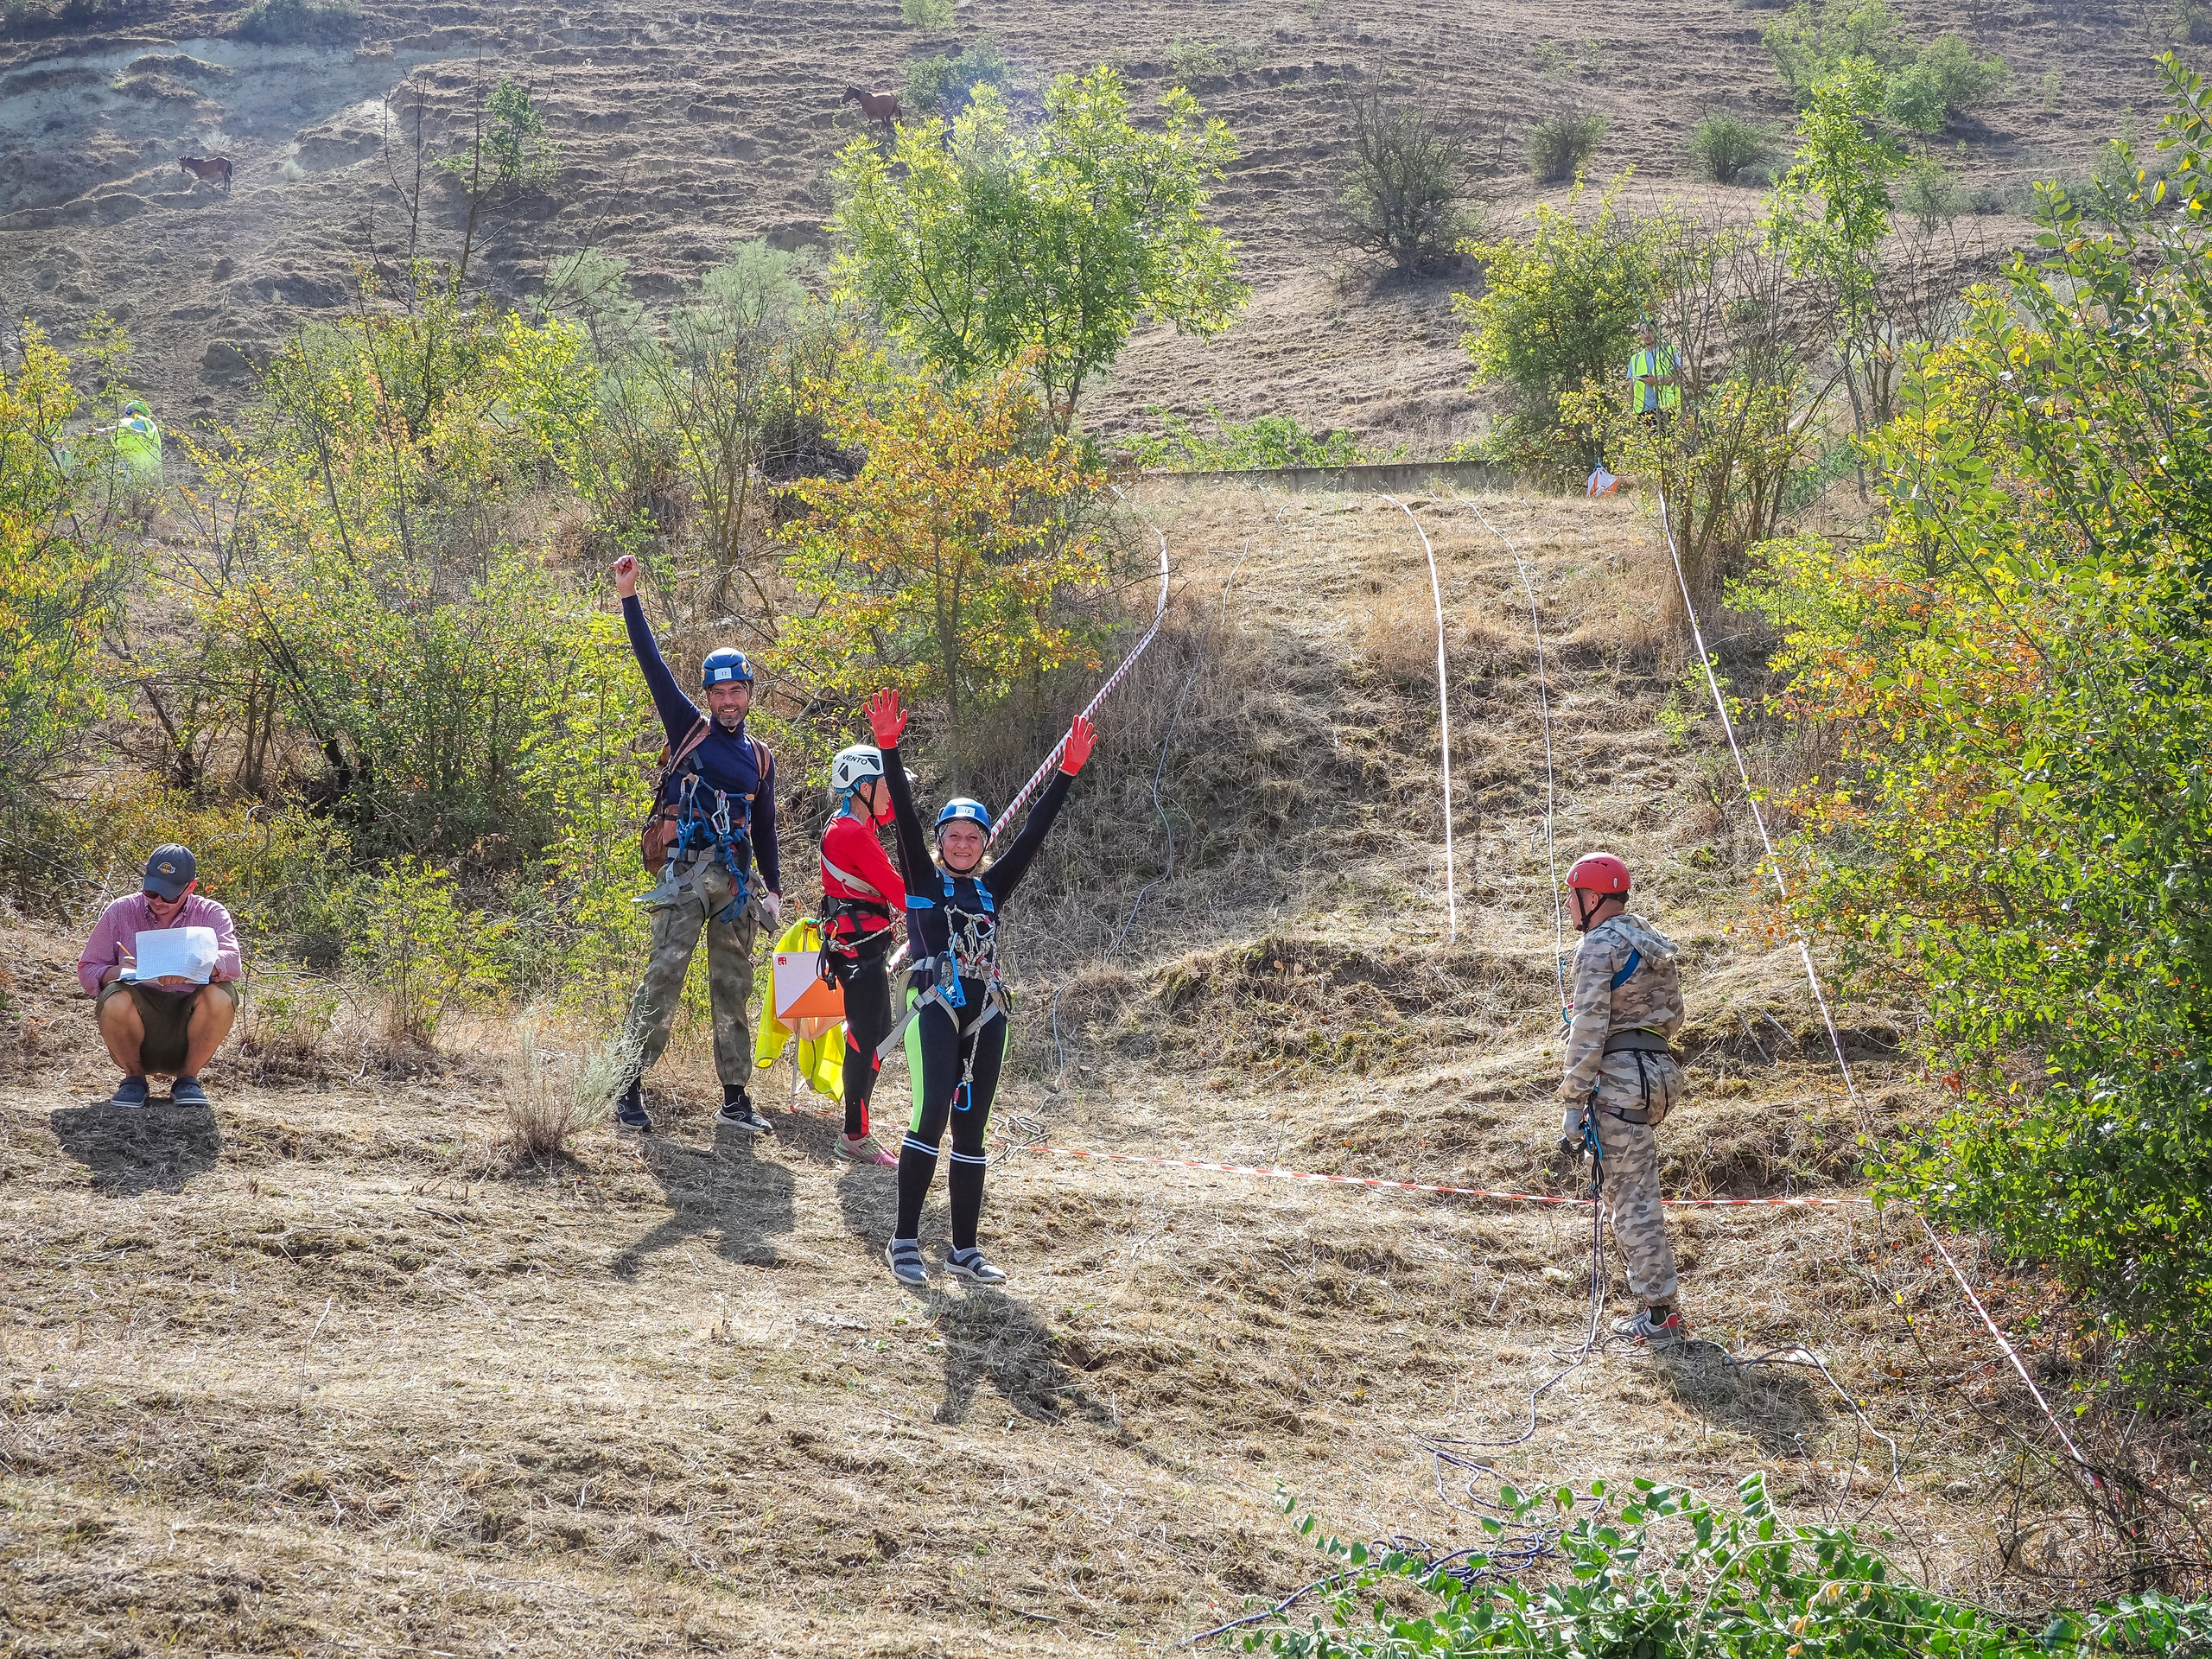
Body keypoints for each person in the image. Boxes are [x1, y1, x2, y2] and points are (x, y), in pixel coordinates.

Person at [864, 687, 1094, 1287]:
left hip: (986, 1009)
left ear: (985, 844)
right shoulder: (921, 876)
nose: (962, 844)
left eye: (974, 837)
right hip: (933, 1004)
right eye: (953, 836)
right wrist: (889, 747)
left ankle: (964, 1249)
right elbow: (907, 817)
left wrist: (1066, 773)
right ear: (940, 845)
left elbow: (1036, 833)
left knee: (973, 1127)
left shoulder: (995, 887)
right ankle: (905, 1240)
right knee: (932, 1111)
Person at [608, 553, 781, 1135]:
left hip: (735, 885)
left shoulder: (761, 758)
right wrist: (630, 596)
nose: (729, 701)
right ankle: (626, 1088)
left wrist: (773, 890)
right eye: (720, 693)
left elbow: (766, 828)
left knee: (734, 988)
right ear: (707, 697)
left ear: (750, 694)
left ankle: (734, 1101)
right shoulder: (689, 728)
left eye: (738, 692)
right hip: (685, 873)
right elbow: (651, 663)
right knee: (663, 977)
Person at [1557, 851, 1688, 1348]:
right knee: (1631, 1190)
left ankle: (1659, 1317)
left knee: (1632, 1200)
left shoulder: (1596, 946)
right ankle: (1657, 1309)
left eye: (1573, 899)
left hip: (1619, 1080)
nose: (1570, 909)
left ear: (1592, 898)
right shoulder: (1654, 944)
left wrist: (1574, 1102)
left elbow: (1588, 1030)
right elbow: (1673, 1016)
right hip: (1657, 1073)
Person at [76, 844, 242, 1109]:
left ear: (190, 887)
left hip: (190, 1023)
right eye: (151, 892)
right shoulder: (121, 911)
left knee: (222, 996)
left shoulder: (211, 913)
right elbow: (87, 969)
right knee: (115, 997)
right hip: (137, 1022)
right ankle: (134, 1079)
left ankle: (188, 1079)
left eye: (169, 895)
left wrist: (190, 969)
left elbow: (233, 963)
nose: (158, 901)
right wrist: (118, 972)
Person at [818, 744, 907, 1167]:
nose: (891, 792)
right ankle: (854, 1133)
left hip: (864, 948)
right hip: (860, 952)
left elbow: (895, 814)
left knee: (879, 1034)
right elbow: (901, 894)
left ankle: (857, 1126)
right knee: (866, 1035)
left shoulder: (854, 825)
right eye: (885, 784)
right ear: (863, 787)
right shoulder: (852, 834)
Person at [1627, 325, 1680, 423]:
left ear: (1657, 331)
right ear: (1640, 336)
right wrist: (1629, 412)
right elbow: (1631, 387)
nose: (1647, 335)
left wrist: (1657, 381)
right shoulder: (1635, 359)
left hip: (1667, 410)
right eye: (1643, 332)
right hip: (1643, 414)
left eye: (1650, 330)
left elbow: (1679, 378)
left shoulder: (1669, 351)